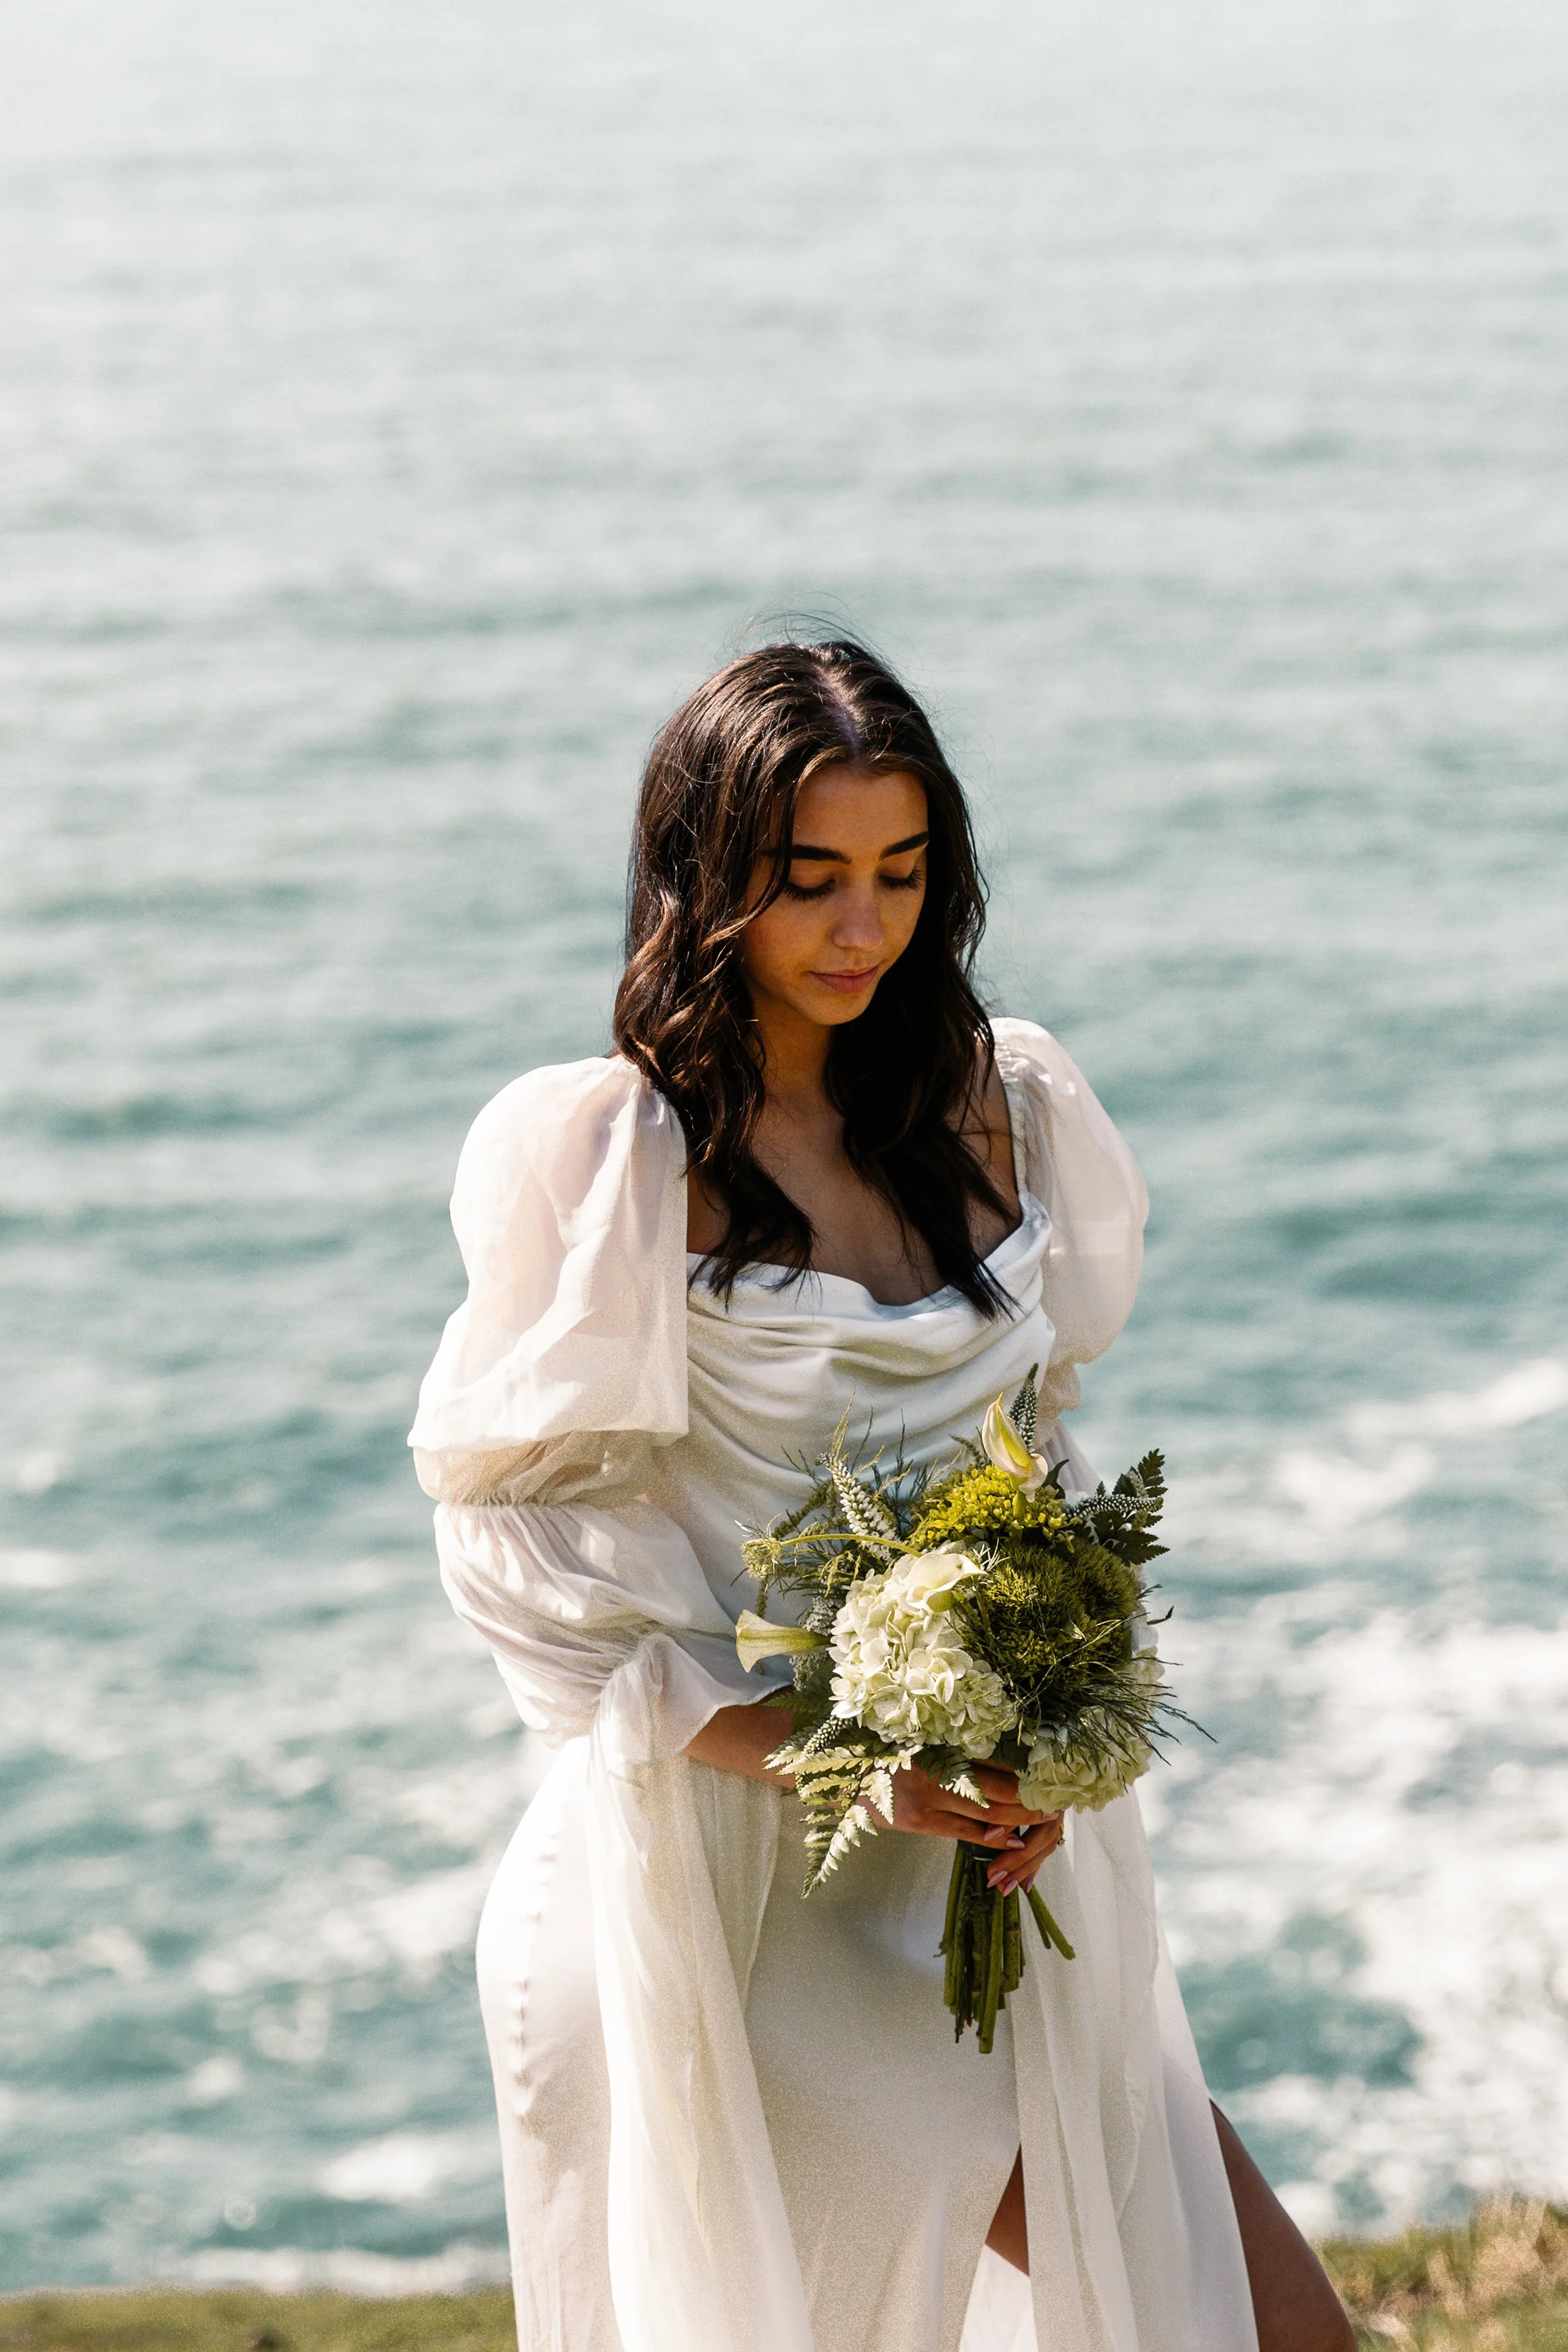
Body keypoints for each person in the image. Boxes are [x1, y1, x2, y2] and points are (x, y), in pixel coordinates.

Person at [409, 641, 1353, 2352]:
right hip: (740, 1904)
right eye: (810, 882)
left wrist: (1051, 1725)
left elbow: (1041, 1454)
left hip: (993, 1867)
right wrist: (858, 1764)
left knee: (1263, 2323)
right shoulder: (621, 1159)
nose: (863, 930)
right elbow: (527, 1568)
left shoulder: (1002, 1103)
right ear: (709, 884)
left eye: (902, 876)